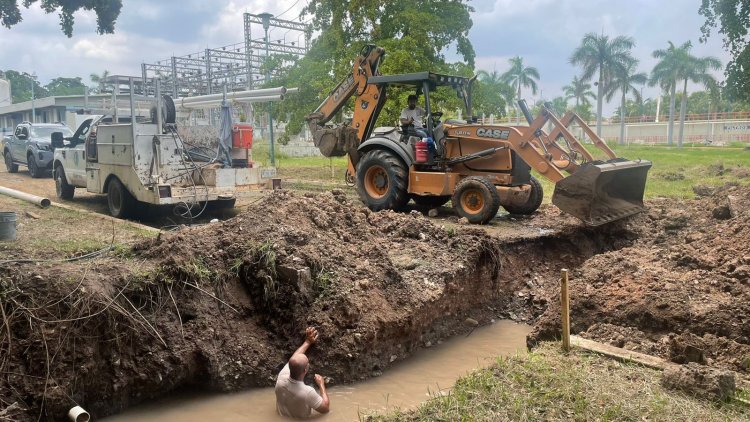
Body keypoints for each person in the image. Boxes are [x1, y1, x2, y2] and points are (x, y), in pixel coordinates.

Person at [275, 327, 330, 419]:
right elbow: (325, 409)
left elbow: (294, 358)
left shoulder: (281, 377)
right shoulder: (307, 392)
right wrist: (321, 385)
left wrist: (308, 341)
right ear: (305, 370)